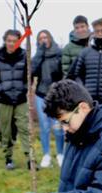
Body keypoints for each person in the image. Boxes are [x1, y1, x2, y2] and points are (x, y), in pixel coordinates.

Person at [0, 30, 31, 170]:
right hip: (4, 100)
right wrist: (0, 88)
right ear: (5, 41)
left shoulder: (24, 56)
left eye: (15, 41)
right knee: (5, 130)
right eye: (9, 41)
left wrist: (24, 88)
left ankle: (30, 158)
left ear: (19, 41)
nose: (12, 43)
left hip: (20, 100)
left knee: (25, 128)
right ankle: (8, 157)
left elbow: (29, 76)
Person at [32, 29, 64, 167]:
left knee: (57, 127)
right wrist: (40, 52)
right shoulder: (38, 56)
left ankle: (60, 154)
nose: (43, 40)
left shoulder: (59, 53)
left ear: (50, 38)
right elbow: (32, 71)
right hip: (41, 94)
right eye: (40, 38)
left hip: (56, 95)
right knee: (44, 126)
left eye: (45, 37)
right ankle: (46, 155)